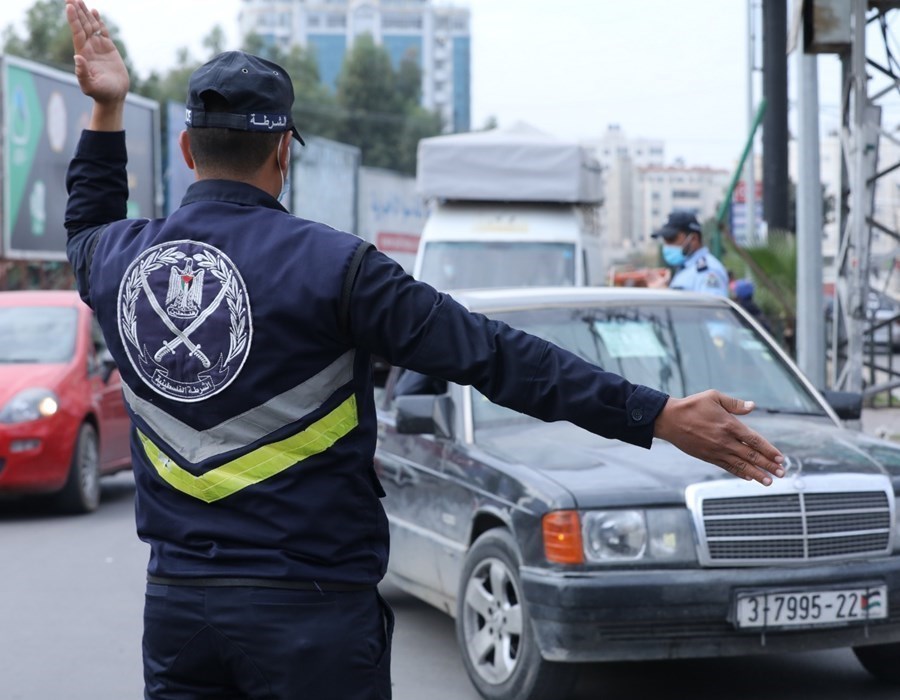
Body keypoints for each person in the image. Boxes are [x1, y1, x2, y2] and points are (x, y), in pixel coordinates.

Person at [63, 2, 783, 698]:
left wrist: (107, 109)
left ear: (189, 151)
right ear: (283, 151)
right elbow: (495, 356)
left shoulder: (120, 263)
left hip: (179, 613)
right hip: (312, 620)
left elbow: (85, 224)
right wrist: (655, 414)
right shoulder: (339, 269)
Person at [647, 210, 729, 296]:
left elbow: (710, 304)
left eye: (671, 239)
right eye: (665, 241)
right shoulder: (686, 268)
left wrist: (664, 292)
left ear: (693, 239)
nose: (667, 246)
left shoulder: (707, 271)